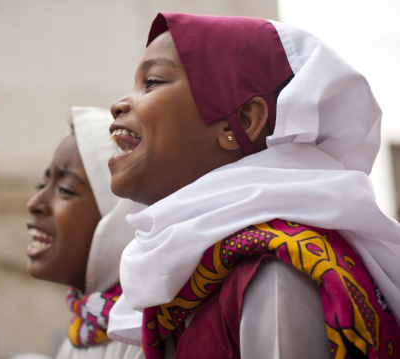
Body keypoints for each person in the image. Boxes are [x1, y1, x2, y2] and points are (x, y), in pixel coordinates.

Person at [106, 13, 400, 359]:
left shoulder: (275, 271)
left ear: (243, 121)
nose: (118, 104)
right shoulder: (186, 269)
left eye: (152, 82)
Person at [25, 106, 145, 359]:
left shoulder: (142, 336)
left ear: (119, 221)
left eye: (66, 190)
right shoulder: (86, 328)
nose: (34, 203)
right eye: (42, 185)